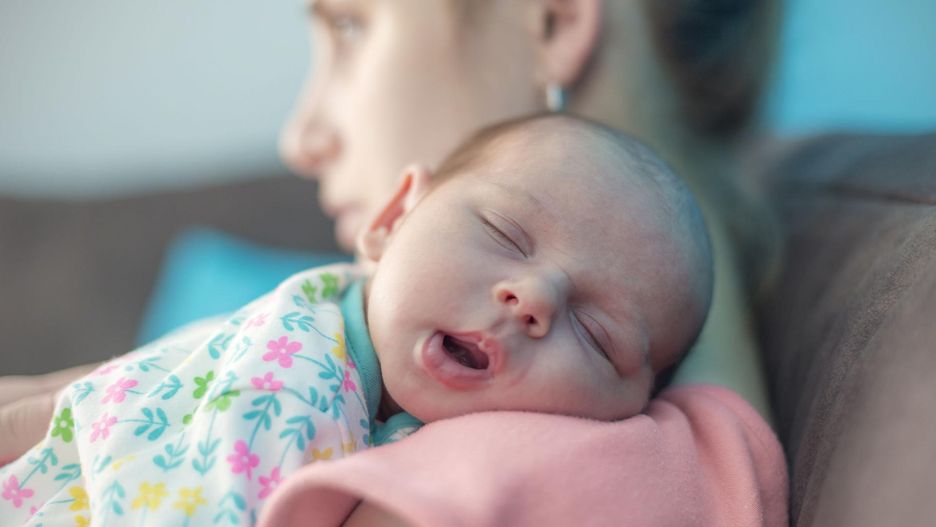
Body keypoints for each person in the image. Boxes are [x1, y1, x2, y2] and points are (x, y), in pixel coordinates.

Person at [0, 0, 784, 524]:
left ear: (548, 20)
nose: (300, 136)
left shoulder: (608, 461)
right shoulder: (348, 326)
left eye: (349, 26)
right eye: (507, 233)